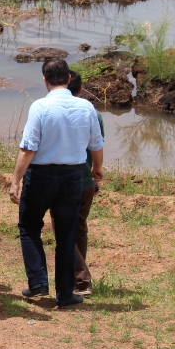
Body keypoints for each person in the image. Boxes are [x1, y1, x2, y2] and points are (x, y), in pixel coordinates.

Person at [9, 59, 104, 309]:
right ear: (69, 79)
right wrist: (97, 169)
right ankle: (64, 294)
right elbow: (97, 144)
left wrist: (15, 180)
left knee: (29, 227)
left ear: (45, 80)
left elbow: (28, 148)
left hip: (41, 176)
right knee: (66, 235)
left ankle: (39, 281)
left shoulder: (40, 106)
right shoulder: (86, 107)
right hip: (72, 176)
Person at [66, 69, 104, 297]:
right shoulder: (93, 113)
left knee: (64, 229)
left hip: (64, 179)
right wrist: (97, 173)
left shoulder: (50, 109)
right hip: (86, 179)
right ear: (80, 89)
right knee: (79, 226)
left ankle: (81, 279)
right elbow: (97, 146)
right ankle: (76, 278)